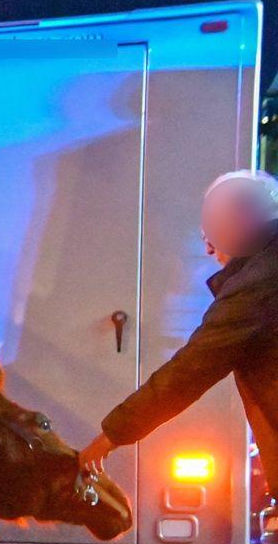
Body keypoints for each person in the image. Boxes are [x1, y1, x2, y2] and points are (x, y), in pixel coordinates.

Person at [79, 171, 278, 525]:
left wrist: (111, 435)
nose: (208, 248)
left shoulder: (257, 284)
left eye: (213, 234)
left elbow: (190, 370)